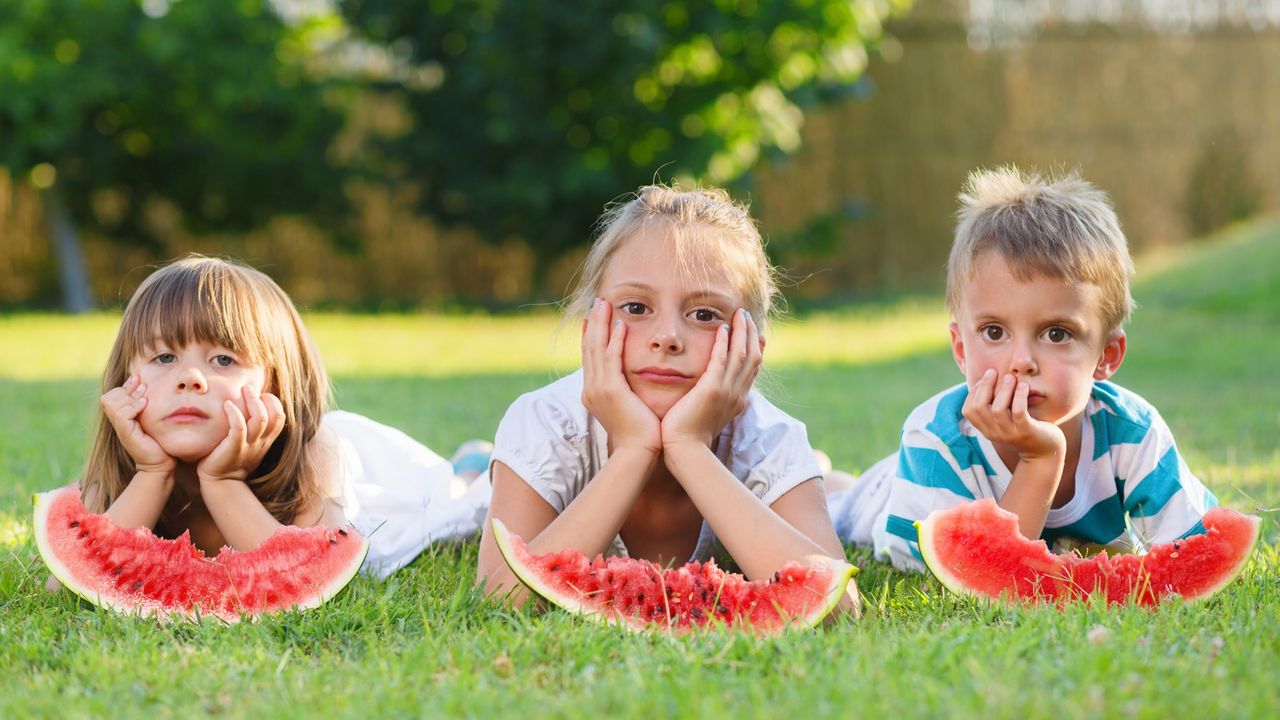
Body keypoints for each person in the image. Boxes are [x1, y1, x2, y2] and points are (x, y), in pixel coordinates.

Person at [474, 184, 853, 613]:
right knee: (463, 499)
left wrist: (688, 447)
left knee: (837, 494)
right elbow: (500, 595)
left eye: (704, 315)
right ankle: (473, 466)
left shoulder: (768, 438)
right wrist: (634, 448)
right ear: (590, 332)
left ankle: (826, 474)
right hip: (500, 480)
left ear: (750, 350)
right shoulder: (545, 423)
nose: (667, 338)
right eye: (636, 308)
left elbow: (838, 603)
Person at [827, 167, 1217, 570]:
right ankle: (829, 479)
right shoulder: (934, 444)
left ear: (1107, 356)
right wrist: (1041, 458)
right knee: (841, 502)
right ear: (961, 348)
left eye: (1056, 334)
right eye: (994, 331)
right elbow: (979, 578)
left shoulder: (1133, 435)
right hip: (890, 491)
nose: (1021, 362)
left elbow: (1194, 548)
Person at [76, 255, 488, 580]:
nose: (190, 379)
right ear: (125, 378)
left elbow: (314, 576)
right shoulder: (120, 465)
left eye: (224, 359)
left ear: (276, 385)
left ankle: (471, 465)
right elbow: (68, 582)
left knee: (452, 504)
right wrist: (152, 472)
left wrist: (223, 482)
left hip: (375, 493)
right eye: (164, 357)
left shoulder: (313, 454)